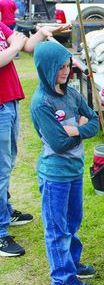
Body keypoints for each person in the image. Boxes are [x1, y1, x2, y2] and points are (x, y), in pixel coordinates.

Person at [30, 41, 99, 284]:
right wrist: (80, 128)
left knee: (72, 222)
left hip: (74, 170)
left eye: (68, 66)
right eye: (59, 67)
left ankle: (73, 263)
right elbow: (58, 145)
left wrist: (73, 129)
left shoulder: (71, 94)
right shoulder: (41, 103)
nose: (65, 72)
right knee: (56, 231)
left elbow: (95, 123)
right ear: (45, 68)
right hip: (54, 176)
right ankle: (63, 279)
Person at [0, 23, 70, 257]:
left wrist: (43, 32)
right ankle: (0, 233)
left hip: (8, 102)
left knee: (7, 163)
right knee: (0, 169)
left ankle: (6, 211)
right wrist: (14, 46)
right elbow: (13, 50)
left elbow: (27, 46)